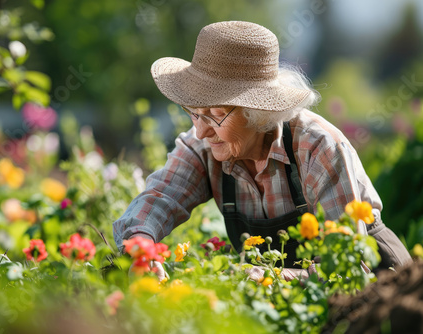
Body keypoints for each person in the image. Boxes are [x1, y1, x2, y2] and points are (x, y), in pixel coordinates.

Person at [113, 21, 411, 280]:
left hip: (376, 290)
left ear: (258, 112)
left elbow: (347, 267)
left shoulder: (318, 149)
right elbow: (160, 197)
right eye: (194, 112)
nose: (202, 130)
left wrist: (271, 277)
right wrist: (143, 245)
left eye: (216, 114)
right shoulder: (204, 144)